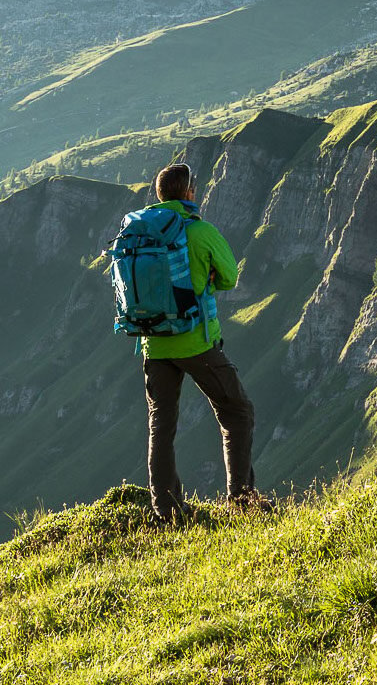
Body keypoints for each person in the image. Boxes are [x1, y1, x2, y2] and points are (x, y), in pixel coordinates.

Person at [139, 162, 257, 522]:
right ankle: (241, 499)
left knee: (161, 427)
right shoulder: (200, 231)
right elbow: (230, 277)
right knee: (237, 411)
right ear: (188, 193)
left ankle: (167, 511)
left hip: (154, 344)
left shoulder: (141, 232)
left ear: (161, 195)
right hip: (195, 342)